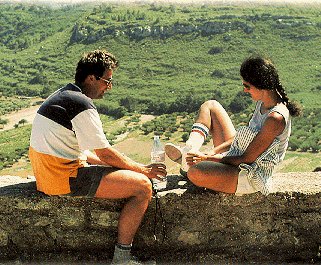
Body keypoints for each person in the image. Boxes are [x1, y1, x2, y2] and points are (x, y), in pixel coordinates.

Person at [29, 50, 166, 264]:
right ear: (91, 78)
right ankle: (121, 259)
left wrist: (128, 167)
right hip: (63, 178)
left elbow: (86, 152)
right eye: (107, 81)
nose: (109, 87)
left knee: (127, 172)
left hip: (47, 174)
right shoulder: (81, 104)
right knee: (143, 187)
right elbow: (104, 153)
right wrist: (143, 170)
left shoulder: (63, 94)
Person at [165, 56, 301, 196]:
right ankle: (189, 150)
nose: (245, 90)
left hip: (250, 173)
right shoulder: (263, 102)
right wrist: (211, 153)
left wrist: (206, 158)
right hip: (238, 154)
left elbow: (246, 159)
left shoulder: (275, 118)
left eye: (247, 86)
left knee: (196, 172)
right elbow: (243, 139)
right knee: (210, 106)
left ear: (262, 86)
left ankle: (187, 166)